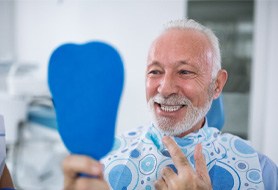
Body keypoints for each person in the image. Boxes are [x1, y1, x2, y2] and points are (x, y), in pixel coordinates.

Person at [62, 19, 278, 190]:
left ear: (217, 84)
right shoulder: (103, 165)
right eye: (155, 71)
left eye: (184, 72)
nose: (165, 89)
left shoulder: (260, 171)